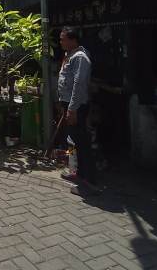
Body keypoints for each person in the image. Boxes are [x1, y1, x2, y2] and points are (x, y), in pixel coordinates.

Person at [56, 27, 99, 196]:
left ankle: (90, 182)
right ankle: (79, 173)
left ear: (73, 40)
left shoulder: (80, 58)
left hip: (77, 107)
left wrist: (72, 109)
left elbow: (78, 84)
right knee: (73, 141)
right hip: (69, 105)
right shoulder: (70, 56)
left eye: (63, 39)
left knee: (82, 143)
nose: (61, 42)